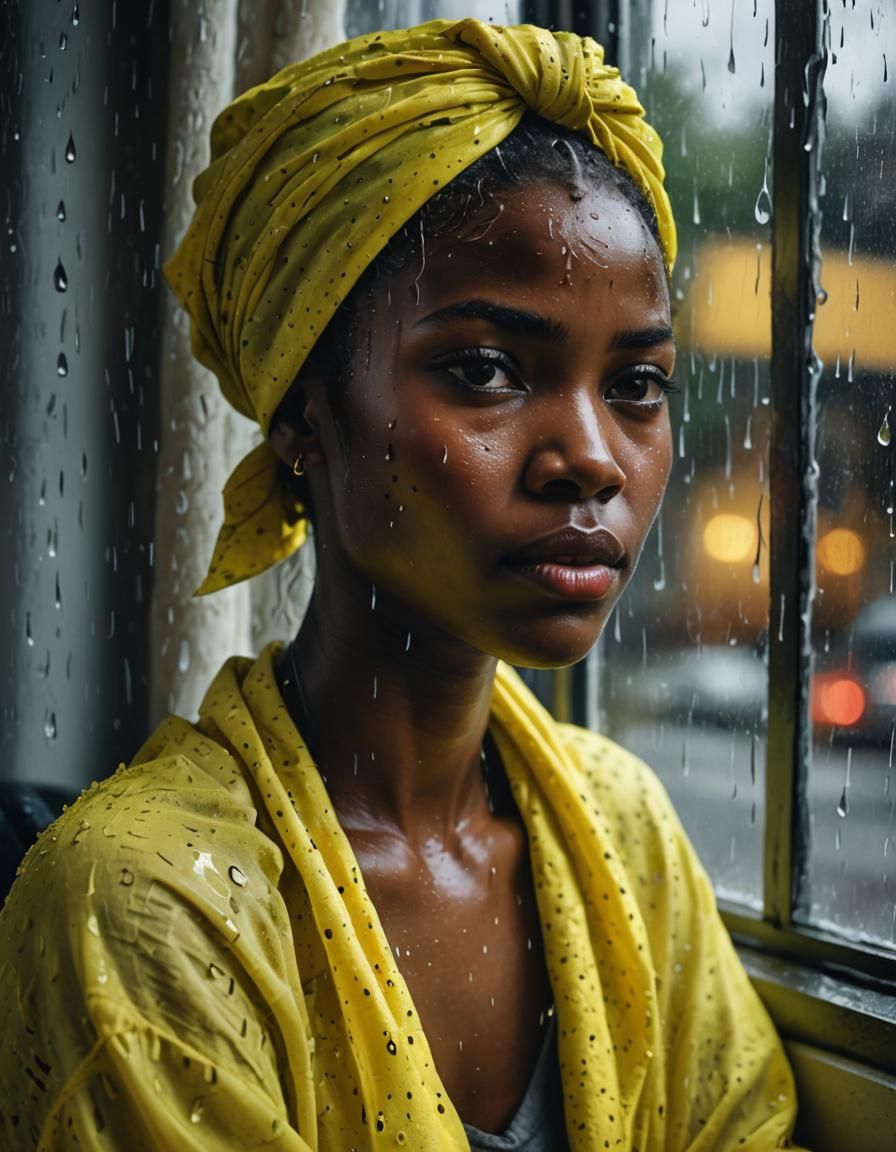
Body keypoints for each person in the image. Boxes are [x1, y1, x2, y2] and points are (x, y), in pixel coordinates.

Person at [0, 18, 808, 1152]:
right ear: (302, 412)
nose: (589, 455)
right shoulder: (142, 904)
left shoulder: (620, 829)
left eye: (636, 382)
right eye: (481, 369)